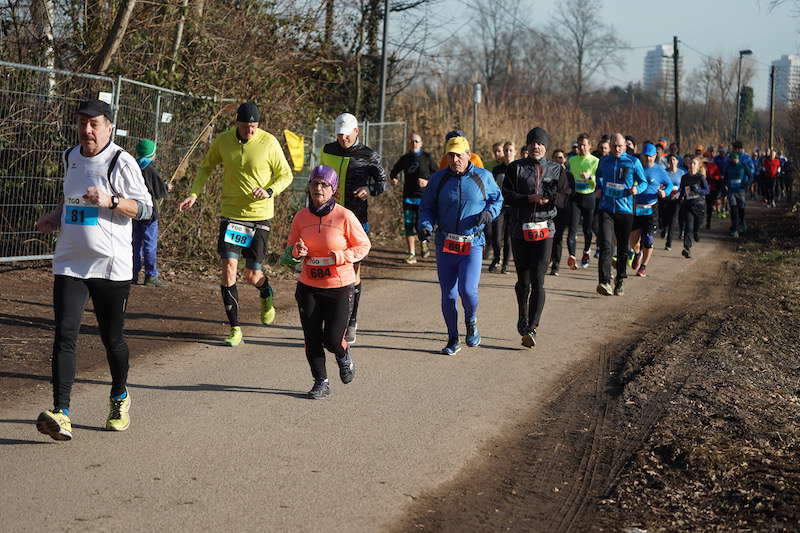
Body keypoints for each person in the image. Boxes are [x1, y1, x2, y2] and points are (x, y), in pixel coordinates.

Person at [34, 99, 153, 440]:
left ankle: (119, 396)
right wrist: (54, 217)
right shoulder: (70, 156)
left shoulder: (121, 160)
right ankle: (62, 412)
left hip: (110, 265)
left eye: (95, 124)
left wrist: (112, 201)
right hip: (71, 260)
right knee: (64, 334)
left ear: (109, 127)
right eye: (82, 123)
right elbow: (69, 197)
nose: (87, 130)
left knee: (111, 338)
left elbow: (145, 208)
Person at [179, 102, 293, 347]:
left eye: (254, 126)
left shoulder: (269, 142)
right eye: (245, 127)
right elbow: (206, 167)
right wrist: (195, 193)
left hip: (260, 215)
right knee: (229, 267)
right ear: (237, 124)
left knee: (252, 275)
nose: (250, 131)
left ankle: (266, 292)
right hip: (231, 215)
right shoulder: (223, 141)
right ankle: (235, 328)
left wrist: (269, 190)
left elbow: (286, 175)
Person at [282, 166, 371, 399]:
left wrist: (341, 256)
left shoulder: (344, 216)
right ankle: (321, 382)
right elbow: (289, 251)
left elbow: (364, 245)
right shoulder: (301, 217)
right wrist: (296, 251)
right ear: (309, 187)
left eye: (324, 185)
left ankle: (343, 356)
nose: (318, 189)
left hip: (339, 286)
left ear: (333, 190)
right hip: (309, 286)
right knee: (311, 338)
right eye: (314, 184)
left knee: (332, 339)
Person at [419, 136, 503, 355]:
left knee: (467, 290)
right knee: (448, 294)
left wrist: (488, 214)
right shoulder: (438, 179)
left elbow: (497, 200)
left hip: (472, 242)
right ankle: (453, 338)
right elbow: (426, 207)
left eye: (458, 155)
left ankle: (471, 321)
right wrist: (426, 225)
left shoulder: (483, 177)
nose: (454, 159)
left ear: (468, 154)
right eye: (450, 155)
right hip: (445, 242)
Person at [320, 112, 387, 343]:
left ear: (356, 131)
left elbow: (383, 183)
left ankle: (351, 321)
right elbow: (319, 178)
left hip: (356, 220)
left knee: (352, 271)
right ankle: (332, 317)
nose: (343, 139)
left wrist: (370, 190)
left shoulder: (369, 155)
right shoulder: (328, 150)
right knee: (329, 267)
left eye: (347, 135)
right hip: (328, 219)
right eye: (339, 135)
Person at [502, 127, 572, 348]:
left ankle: (532, 327)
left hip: (545, 229)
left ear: (546, 147)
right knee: (523, 281)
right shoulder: (515, 168)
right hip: (520, 229)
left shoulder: (556, 169)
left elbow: (566, 195)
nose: (536, 146)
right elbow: (507, 195)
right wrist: (529, 198)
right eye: (532, 143)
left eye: (540, 143)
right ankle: (522, 317)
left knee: (538, 279)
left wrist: (550, 199)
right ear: (527, 146)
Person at [595, 133, 646, 296]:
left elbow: (643, 182)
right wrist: (599, 187)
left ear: (625, 146)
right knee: (606, 245)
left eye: (620, 146)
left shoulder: (633, 162)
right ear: (610, 146)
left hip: (625, 210)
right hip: (607, 208)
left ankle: (620, 280)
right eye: (614, 146)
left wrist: (637, 189)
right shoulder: (604, 160)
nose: (617, 149)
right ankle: (604, 282)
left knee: (623, 247)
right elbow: (599, 176)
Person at [390, 133, 437, 264]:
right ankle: (411, 254)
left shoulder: (427, 158)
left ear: (421, 143)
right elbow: (394, 170)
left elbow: (438, 175)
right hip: (408, 197)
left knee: (420, 226)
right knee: (409, 225)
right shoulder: (405, 158)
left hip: (423, 198)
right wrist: (393, 178)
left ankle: (423, 243)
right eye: (411, 141)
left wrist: (427, 182)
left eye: (416, 141)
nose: (414, 144)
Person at [629, 143, 674, 277]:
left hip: (651, 209)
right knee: (633, 241)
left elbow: (669, 184)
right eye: (646, 156)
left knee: (648, 239)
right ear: (642, 156)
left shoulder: (660, 170)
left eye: (651, 156)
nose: (648, 159)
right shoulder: (637, 168)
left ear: (655, 156)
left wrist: (665, 192)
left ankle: (643, 266)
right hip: (636, 208)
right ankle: (637, 254)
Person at [132, 138, 169, 286]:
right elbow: (159, 191)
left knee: (134, 243)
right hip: (149, 213)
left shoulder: (132, 166)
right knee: (149, 243)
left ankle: (132, 274)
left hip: (133, 210)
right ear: (151, 154)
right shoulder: (151, 169)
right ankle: (150, 275)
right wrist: (167, 187)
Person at [566, 133, 599, 270]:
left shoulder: (595, 161)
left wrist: (589, 176)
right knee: (572, 229)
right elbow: (568, 178)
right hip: (575, 198)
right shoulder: (572, 160)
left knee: (587, 229)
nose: (582, 147)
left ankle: (586, 252)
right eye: (579, 145)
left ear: (589, 146)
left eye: (584, 145)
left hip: (589, 197)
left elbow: (599, 181)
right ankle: (572, 256)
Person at [487, 141, 515, 273]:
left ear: (514, 152)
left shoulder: (519, 168)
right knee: (496, 236)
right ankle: (496, 258)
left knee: (508, 237)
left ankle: (505, 264)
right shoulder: (497, 169)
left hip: (514, 207)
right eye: (506, 150)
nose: (508, 153)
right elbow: (491, 188)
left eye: (510, 150)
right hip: (499, 206)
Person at [678, 155, 709, 258]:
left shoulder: (700, 177)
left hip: (699, 206)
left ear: (698, 166)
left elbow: (707, 190)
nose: (691, 165)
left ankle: (696, 232)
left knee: (696, 226)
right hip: (689, 205)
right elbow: (682, 191)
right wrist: (679, 198)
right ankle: (687, 248)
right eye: (690, 163)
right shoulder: (684, 177)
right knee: (688, 227)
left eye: (694, 163)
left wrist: (698, 191)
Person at [549, 148, 571, 275]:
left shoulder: (569, 175)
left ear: (565, 160)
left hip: (562, 210)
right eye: (556, 157)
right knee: (548, 237)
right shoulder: (547, 173)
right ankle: (548, 259)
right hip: (547, 210)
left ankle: (555, 265)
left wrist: (557, 197)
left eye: (561, 157)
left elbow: (570, 192)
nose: (558, 160)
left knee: (557, 238)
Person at [660, 153, 685, 251]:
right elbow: (661, 184)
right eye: (670, 160)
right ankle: (664, 228)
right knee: (665, 218)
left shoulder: (681, 173)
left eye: (674, 159)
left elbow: (683, 186)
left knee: (673, 221)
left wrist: (680, 194)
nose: (672, 162)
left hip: (677, 200)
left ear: (677, 161)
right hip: (666, 199)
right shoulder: (664, 172)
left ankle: (668, 243)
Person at [724, 151, 752, 237]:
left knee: (741, 209)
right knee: (733, 209)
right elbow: (725, 178)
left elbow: (750, 175)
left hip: (741, 191)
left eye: (735, 158)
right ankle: (735, 228)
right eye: (732, 158)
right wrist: (726, 186)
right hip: (731, 191)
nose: (733, 160)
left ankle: (742, 223)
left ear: (738, 159)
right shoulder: (728, 167)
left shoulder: (743, 166)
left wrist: (746, 184)